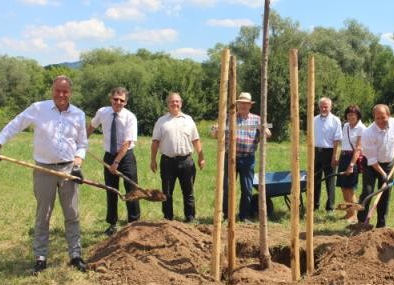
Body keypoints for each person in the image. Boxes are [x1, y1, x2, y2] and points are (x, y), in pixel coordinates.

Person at [0, 75, 88, 275]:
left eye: (65, 91)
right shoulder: (38, 108)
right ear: (52, 90)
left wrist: (77, 163)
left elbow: (82, 143)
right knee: (43, 214)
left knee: (72, 214)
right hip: (43, 169)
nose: (61, 95)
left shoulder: (78, 115)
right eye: (58, 90)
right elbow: (16, 123)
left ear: (71, 93)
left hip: (68, 170)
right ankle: (40, 258)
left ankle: (75, 255)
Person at [87, 87, 140, 236]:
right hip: (109, 155)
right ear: (111, 99)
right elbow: (92, 126)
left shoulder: (130, 117)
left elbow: (127, 142)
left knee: (131, 190)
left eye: (122, 100)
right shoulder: (102, 112)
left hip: (126, 157)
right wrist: (81, 141)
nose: (118, 102)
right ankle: (112, 224)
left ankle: (133, 224)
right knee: (111, 190)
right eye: (116, 99)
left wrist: (116, 163)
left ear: (126, 102)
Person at [211, 92, 271, 222]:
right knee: (226, 187)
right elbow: (214, 134)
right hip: (230, 158)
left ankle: (244, 215)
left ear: (250, 105)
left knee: (247, 188)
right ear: (237, 104)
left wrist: (265, 131)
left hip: (248, 159)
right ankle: (227, 215)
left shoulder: (256, 119)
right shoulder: (228, 118)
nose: (243, 105)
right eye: (241, 103)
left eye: (246, 103)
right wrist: (215, 129)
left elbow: (268, 133)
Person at [150, 92, 205, 223]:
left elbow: (196, 140)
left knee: (189, 192)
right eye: (172, 101)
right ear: (168, 104)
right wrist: (153, 160)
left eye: (177, 101)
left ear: (181, 103)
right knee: (167, 193)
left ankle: (190, 217)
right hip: (168, 162)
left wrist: (201, 158)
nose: (175, 104)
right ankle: (168, 219)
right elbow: (155, 142)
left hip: (186, 161)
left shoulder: (189, 120)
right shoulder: (161, 121)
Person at [358, 104, 394, 227]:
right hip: (370, 165)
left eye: (383, 117)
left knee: (385, 194)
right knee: (368, 192)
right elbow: (372, 160)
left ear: (389, 115)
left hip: (389, 163)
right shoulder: (368, 133)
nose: (381, 121)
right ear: (374, 118)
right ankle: (361, 223)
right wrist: (383, 174)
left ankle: (381, 225)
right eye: (377, 118)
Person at [336, 104, 365, 223]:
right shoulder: (346, 126)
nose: (351, 117)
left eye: (353, 115)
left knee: (350, 188)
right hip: (343, 157)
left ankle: (354, 215)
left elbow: (358, 148)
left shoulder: (362, 128)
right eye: (349, 114)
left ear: (358, 115)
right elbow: (344, 144)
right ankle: (349, 212)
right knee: (343, 187)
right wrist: (339, 157)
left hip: (353, 158)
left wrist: (351, 165)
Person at [313, 97, 342, 213]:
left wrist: (335, 156)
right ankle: (315, 205)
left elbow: (337, 140)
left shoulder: (335, 120)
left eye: (326, 106)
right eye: (321, 106)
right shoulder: (314, 119)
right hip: (316, 151)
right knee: (315, 180)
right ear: (319, 107)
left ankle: (330, 207)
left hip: (330, 152)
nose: (324, 109)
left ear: (331, 107)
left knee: (330, 180)